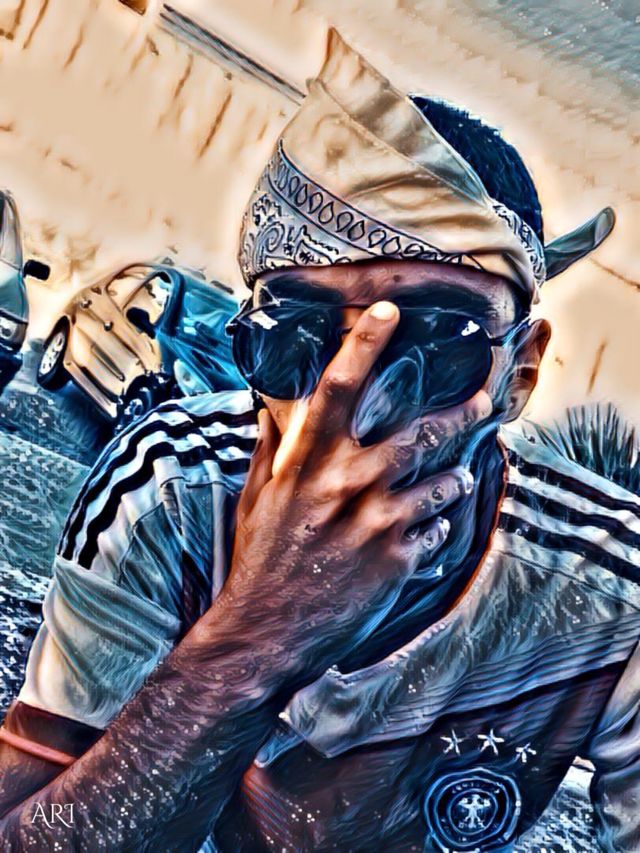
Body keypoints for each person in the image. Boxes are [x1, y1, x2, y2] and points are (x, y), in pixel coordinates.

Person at [0, 30, 637, 853]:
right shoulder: (173, 489)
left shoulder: (608, 587)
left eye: (434, 342)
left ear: (519, 374)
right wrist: (254, 639)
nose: (356, 400)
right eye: (293, 338)